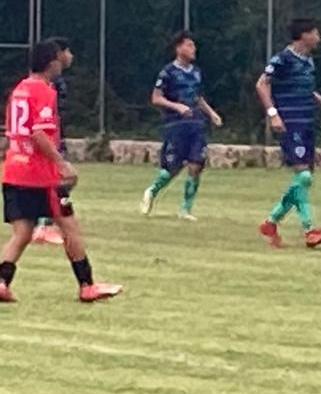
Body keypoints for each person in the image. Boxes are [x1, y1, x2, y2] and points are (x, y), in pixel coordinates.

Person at [0, 40, 122, 303]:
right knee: (69, 226)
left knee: (22, 232)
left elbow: (14, 132)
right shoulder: (44, 91)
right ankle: (87, 285)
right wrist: (61, 163)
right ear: (51, 62)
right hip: (40, 175)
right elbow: (39, 133)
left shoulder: (19, 89)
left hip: (13, 170)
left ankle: (1, 281)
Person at [255, 17, 321, 248]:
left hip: (307, 123)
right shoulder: (282, 59)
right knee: (303, 176)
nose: (319, 38)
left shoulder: (308, 61)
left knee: (303, 180)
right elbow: (261, 84)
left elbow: (306, 89)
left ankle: (271, 222)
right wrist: (273, 113)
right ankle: (310, 230)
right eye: (315, 33)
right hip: (289, 123)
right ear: (304, 35)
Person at [141, 32, 223, 220]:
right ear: (179, 48)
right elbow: (156, 98)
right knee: (172, 168)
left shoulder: (196, 72)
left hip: (196, 124)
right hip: (176, 125)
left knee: (196, 165)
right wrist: (176, 106)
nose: (193, 49)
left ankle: (185, 209)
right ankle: (152, 191)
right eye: (189, 45)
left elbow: (197, 97)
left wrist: (211, 113)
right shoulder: (168, 72)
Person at [31, 37, 74, 246]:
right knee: (60, 179)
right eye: (68, 52)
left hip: (56, 134)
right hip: (50, 137)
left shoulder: (55, 80)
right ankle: (45, 224)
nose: (71, 56)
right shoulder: (50, 82)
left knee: (60, 180)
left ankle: (44, 222)